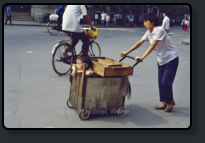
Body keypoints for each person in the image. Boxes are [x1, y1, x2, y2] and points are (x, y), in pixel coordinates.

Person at [120, 13, 178, 112]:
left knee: (166, 83)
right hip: (161, 60)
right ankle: (165, 102)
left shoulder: (160, 30)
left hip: (171, 59)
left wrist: (142, 57)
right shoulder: (148, 32)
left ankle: (170, 101)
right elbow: (139, 42)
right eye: (144, 22)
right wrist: (127, 52)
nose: (144, 24)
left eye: (146, 22)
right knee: (161, 83)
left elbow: (153, 45)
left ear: (152, 22)